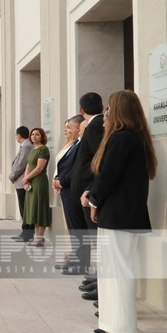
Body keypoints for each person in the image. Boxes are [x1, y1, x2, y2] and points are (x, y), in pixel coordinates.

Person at [87, 91, 157, 333]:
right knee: (118, 271)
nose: (105, 113)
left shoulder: (121, 138)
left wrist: (93, 200)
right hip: (127, 216)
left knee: (116, 273)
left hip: (118, 216)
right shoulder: (135, 137)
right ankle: (116, 323)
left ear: (117, 110)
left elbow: (107, 176)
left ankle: (118, 326)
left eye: (109, 108)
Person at [69, 92, 105, 279]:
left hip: (89, 192)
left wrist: (90, 190)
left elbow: (100, 161)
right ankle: (97, 278)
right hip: (86, 192)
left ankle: (99, 279)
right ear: (102, 107)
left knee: (95, 238)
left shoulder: (95, 126)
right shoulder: (95, 125)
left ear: (81, 110)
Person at [53, 115, 84, 268]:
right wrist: (57, 179)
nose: (67, 130)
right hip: (66, 189)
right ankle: (76, 258)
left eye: (69, 127)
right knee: (73, 228)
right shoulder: (74, 144)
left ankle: (80, 262)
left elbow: (77, 168)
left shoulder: (80, 144)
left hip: (73, 189)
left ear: (77, 128)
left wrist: (61, 181)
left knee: (78, 229)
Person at [22, 128, 51, 246]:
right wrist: (25, 180)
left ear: (42, 136)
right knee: (33, 209)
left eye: (37, 134)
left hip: (39, 182)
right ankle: (36, 237)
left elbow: (39, 168)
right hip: (30, 181)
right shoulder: (33, 150)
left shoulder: (43, 149)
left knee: (40, 208)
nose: (34, 136)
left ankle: (40, 238)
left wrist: (26, 178)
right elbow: (28, 166)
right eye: (32, 134)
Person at [8, 126, 35, 242]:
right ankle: (25, 232)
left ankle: (27, 234)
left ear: (19, 135)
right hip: (20, 182)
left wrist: (12, 176)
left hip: (23, 181)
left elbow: (21, 164)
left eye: (16, 135)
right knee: (23, 209)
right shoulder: (25, 145)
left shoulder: (27, 146)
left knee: (25, 209)